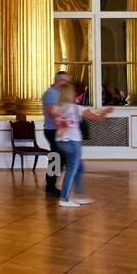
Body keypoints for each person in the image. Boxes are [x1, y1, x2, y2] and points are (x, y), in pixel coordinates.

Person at [52, 74, 109, 208]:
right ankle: (64, 199)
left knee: (79, 167)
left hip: (61, 141)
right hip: (73, 142)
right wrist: (107, 110)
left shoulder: (57, 108)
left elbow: (59, 124)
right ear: (71, 94)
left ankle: (78, 195)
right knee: (72, 169)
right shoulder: (77, 108)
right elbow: (98, 118)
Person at [41, 70, 71, 197]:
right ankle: (50, 186)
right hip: (53, 130)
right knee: (56, 158)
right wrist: (63, 128)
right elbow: (52, 113)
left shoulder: (58, 93)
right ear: (60, 81)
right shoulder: (51, 94)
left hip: (58, 130)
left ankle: (52, 184)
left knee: (60, 158)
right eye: (66, 82)